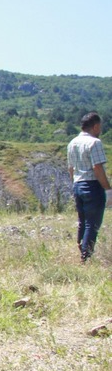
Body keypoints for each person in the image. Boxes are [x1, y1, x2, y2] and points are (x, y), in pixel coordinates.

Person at [67, 112, 111, 262]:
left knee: (83, 221)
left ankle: (81, 248)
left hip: (78, 184)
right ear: (95, 126)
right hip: (92, 185)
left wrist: (74, 184)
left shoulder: (72, 143)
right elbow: (97, 168)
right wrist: (108, 189)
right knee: (93, 224)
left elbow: (70, 168)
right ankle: (86, 257)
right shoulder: (94, 143)